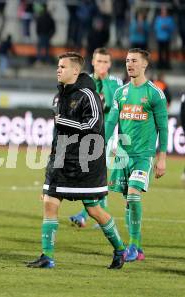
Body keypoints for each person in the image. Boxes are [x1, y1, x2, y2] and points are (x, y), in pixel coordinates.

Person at [26, 52, 126, 269]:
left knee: (93, 210)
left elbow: (93, 126)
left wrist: (65, 121)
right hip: (61, 160)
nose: (58, 69)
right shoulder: (60, 94)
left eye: (62, 66)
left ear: (75, 71)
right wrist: (50, 167)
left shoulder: (88, 94)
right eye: (58, 66)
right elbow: (58, 133)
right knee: (49, 204)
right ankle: (47, 256)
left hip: (85, 162)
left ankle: (120, 249)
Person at [105, 48, 168, 262]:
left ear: (144, 65)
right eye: (127, 61)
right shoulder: (120, 93)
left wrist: (162, 157)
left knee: (133, 194)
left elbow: (164, 127)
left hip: (143, 156)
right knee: (128, 201)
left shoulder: (154, 93)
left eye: (134, 61)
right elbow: (111, 121)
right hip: (123, 155)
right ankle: (138, 248)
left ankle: (132, 245)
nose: (129, 64)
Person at [69, 48, 123, 228]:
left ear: (110, 64)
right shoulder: (84, 81)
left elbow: (110, 104)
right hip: (87, 134)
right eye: (98, 61)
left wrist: (103, 81)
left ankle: (88, 215)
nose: (102, 65)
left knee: (97, 176)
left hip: (108, 135)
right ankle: (94, 214)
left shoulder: (115, 82)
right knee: (93, 176)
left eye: (105, 62)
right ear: (92, 62)